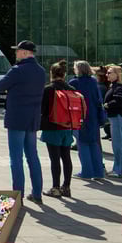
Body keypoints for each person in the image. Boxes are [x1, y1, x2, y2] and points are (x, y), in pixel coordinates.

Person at [0, 41, 46, 203]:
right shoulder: (41, 71)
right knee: (33, 156)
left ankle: (18, 194)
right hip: (32, 118)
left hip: (17, 118)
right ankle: (37, 193)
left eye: (18, 51)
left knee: (16, 157)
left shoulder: (17, 70)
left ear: (25, 53)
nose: (16, 54)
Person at [40, 61, 75, 197]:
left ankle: (55, 188)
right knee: (66, 157)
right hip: (67, 127)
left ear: (51, 74)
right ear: (64, 74)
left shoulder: (48, 89)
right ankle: (66, 187)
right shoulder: (71, 88)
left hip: (52, 127)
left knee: (55, 159)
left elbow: (42, 109)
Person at [69, 60, 106, 180]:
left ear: (78, 69)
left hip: (80, 116)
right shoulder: (93, 81)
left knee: (82, 144)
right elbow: (98, 100)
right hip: (93, 116)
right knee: (94, 143)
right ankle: (98, 172)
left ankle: (86, 171)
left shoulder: (74, 82)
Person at [104, 64, 122, 177]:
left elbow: (120, 100)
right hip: (117, 118)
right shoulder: (116, 86)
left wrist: (107, 105)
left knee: (119, 145)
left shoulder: (119, 87)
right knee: (118, 144)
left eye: (109, 72)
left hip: (119, 117)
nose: (107, 74)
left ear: (117, 74)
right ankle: (118, 169)